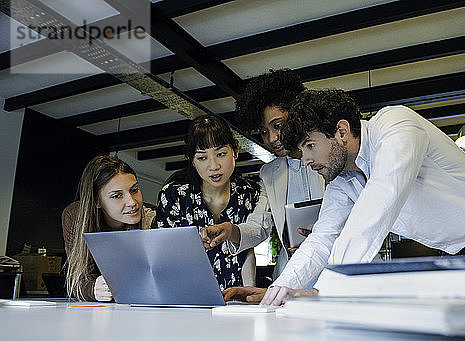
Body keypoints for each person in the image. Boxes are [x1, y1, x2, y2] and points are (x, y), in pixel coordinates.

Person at [257, 89, 465, 305]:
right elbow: (322, 238)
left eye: (310, 146)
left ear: (342, 131)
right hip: (460, 255)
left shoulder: (395, 125)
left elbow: (384, 193)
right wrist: (278, 290)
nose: (306, 160)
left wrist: (328, 287)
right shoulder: (342, 180)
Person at [201, 69, 324, 295]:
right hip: (290, 278)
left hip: (337, 272)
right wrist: (231, 231)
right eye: (264, 131)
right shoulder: (269, 172)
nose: (271, 139)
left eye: (278, 125)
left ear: (297, 115)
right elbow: (259, 226)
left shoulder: (328, 154)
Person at [155, 115, 261, 291]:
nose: (214, 166)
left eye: (221, 154)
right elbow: (165, 254)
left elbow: (249, 248)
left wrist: (250, 291)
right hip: (186, 298)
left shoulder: (250, 193)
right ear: (192, 160)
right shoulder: (174, 195)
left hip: (235, 300)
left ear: (235, 150)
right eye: (202, 158)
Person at [63, 155, 156, 301]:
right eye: (117, 196)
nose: (132, 202)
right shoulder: (75, 217)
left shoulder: (153, 217)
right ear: (96, 201)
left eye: (134, 190)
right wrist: (93, 289)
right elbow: (77, 281)